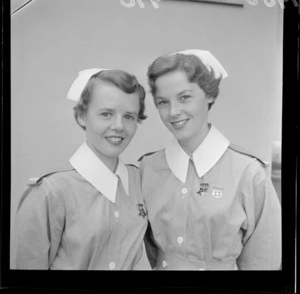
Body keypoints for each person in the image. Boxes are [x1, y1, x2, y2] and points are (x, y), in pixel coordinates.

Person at [139, 49, 281, 270]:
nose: (173, 111)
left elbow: (263, 263)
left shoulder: (249, 173)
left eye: (184, 97)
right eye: (163, 102)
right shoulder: (147, 169)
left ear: (209, 94)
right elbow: (148, 251)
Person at [11, 68, 148, 270]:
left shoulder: (139, 180)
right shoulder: (50, 192)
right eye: (106, 114)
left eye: (129, 116)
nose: (119, 126)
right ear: (82, 116)